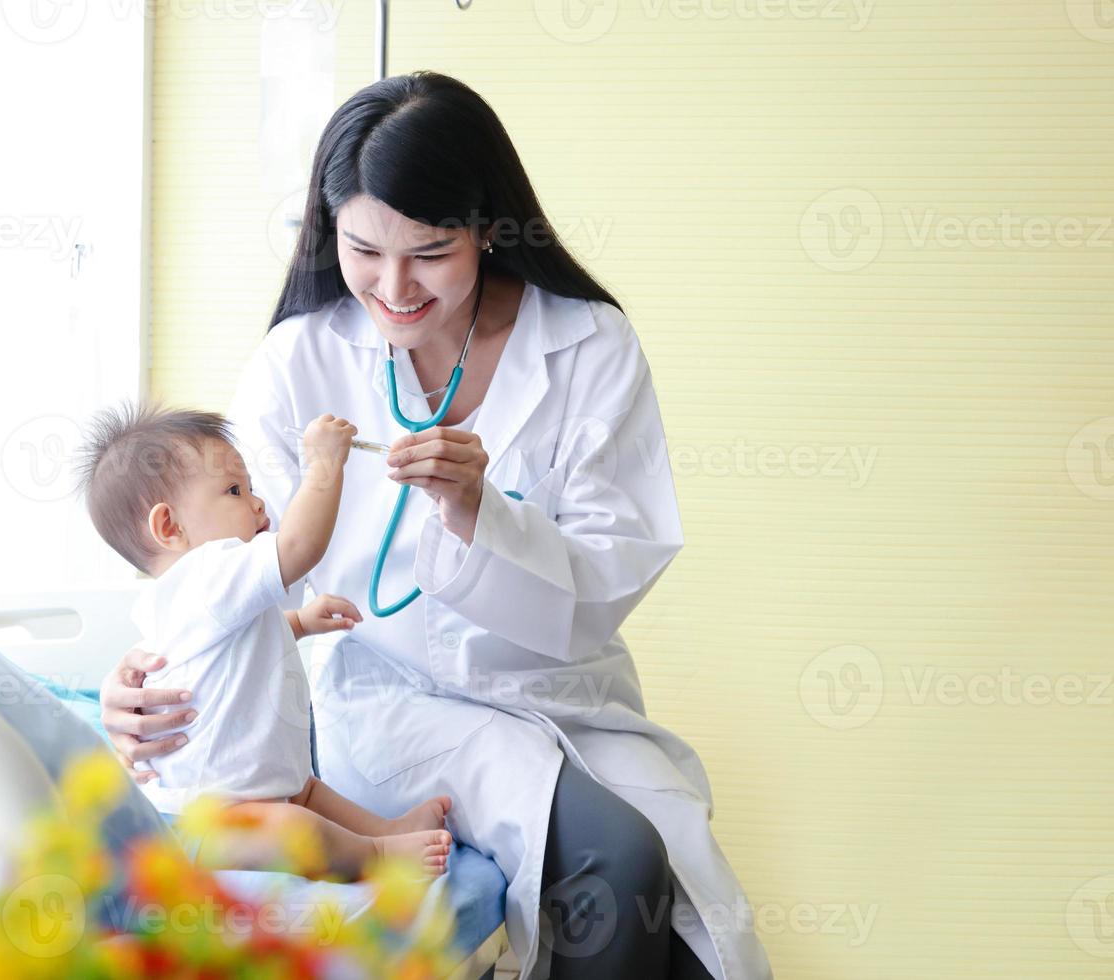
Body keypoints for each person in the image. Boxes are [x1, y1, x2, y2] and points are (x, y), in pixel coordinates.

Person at [100, 72, 772, 979]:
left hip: (558, 688)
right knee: (618, 863)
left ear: (487, 226)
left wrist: (478, 513)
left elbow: (614, 569)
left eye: (429, 251)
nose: (393, 287)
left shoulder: (589, 345)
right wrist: (139, 687)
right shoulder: (300, 360)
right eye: (362, 249)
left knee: (684, 930)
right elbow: (216, 564)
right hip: (389, 699)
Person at [77, 401, 453, 880]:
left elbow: (242, 644)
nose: (258, 505)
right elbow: (298, 546)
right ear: (170, 527)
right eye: (234, 490)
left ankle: (386, 829)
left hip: (251, 792)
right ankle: (375, 856)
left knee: (306, 792)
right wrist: (323, 466)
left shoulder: (198, 594)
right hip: (207, 818)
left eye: (251, 488)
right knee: (296, 826)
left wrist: (299, 621)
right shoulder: (208, 569)